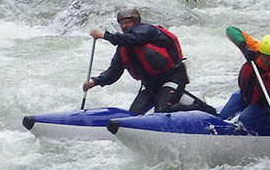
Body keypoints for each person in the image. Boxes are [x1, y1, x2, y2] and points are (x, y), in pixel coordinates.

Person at [83, 7, 216, 115]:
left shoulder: (146, 31)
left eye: (127, 22)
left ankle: (200, 110)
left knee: (162, 110)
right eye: (121, 23)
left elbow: (134, 39)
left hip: (173, 78)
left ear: (136, 22)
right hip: (151, 85)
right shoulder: (122, 47)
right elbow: (114, 72)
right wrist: (95, 82)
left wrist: (104, 36)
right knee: (133, 115)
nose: (124, 26)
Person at [218, 27, 270, 129]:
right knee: (222, 118)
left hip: (265, 102)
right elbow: (231, 30)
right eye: (264, 55)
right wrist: (244, 47)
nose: (266, 59)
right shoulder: (254, 49)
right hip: (246, 95)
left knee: (244, 120)